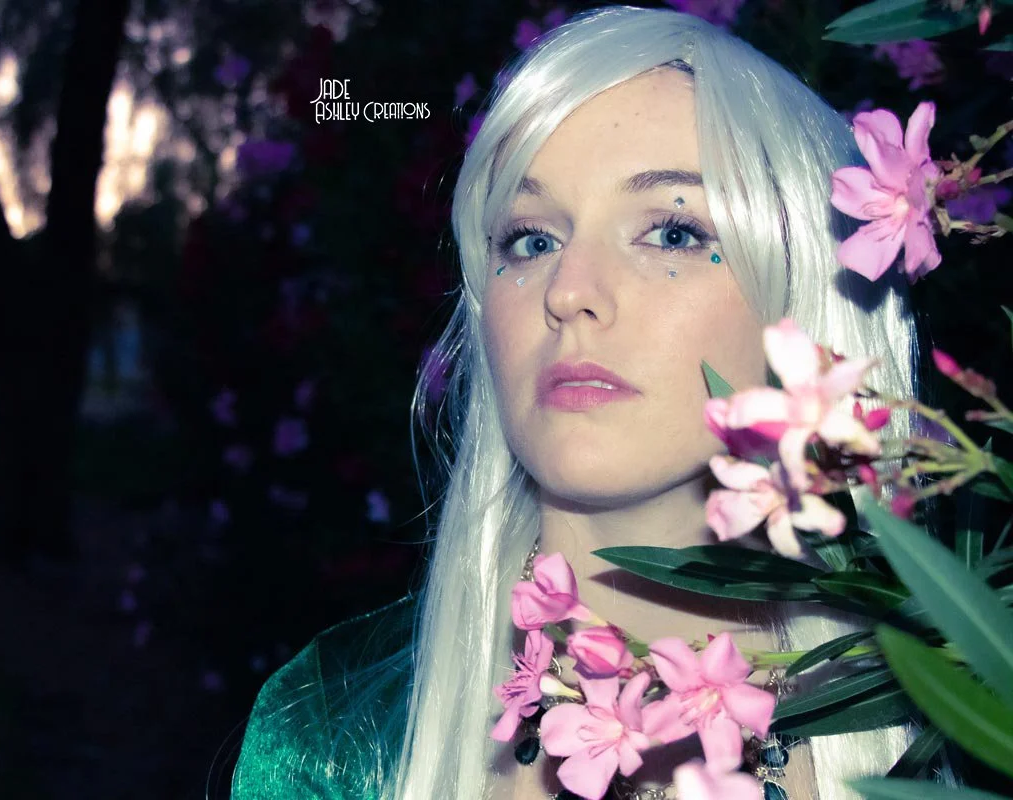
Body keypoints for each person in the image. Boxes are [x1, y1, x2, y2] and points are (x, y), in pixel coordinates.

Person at [230, 6, 924, 799]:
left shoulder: (946, 728)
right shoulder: (332, 733)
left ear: (804, 303)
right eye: (531, 239)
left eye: (671, 232)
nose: (568, 292)